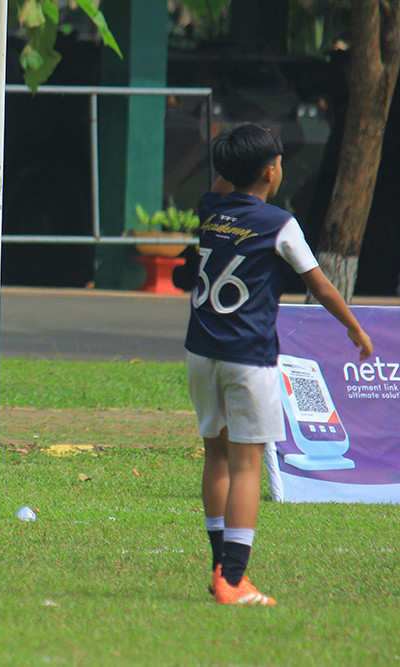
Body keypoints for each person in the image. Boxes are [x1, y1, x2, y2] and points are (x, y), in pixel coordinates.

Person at [186, 123, 372, 605]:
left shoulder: (210, 209)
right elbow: (321, 284)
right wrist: (354, 327)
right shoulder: (279, 223)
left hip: (200, 353)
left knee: (216, 455)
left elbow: (224, 183)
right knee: (247, 464)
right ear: (272, 172)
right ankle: (233, 579)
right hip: (248, 358)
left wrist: (236, 152)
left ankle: (219, 568)